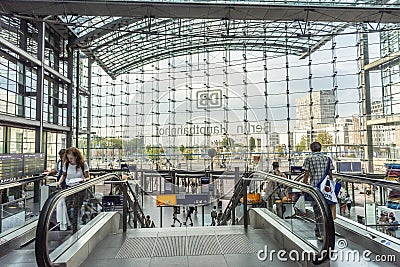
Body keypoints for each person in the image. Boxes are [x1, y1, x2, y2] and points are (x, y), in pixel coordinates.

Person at [302, 141, 335, 242]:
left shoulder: (309, 159)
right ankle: (319, 230)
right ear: (320, 149)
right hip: (326, 188)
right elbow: (330, 174)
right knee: (326, 210)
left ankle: (322, 234)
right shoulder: (327, 158)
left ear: (311, 149)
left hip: (315, 188)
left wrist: (303, 186)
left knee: (318, 211)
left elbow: (306, 174)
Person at [57, 147, 90, 233]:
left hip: (80, 188)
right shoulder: (66, 165)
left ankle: (74, 229)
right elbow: (64, 175)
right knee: (67, 207)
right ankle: (70, 225)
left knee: (76, 208)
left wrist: (84, 180)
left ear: (76, 156)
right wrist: (59, 182)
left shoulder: (83, 164)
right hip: (69, 188)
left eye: (71, 158)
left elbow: (87, 177)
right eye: (68, 158)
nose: (70, 160)